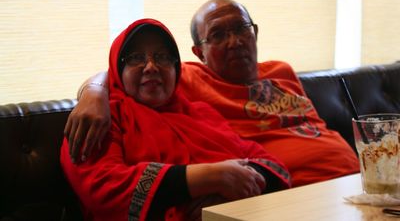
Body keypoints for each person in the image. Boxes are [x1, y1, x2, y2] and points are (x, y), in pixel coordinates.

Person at [65, 0, 359, 187]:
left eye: (242, 29)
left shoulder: (282, 70)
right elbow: (129, 71)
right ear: (199, 52)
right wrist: (93, 90)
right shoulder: (189, 78)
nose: (235, 42)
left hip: (359, 180)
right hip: (301, 195)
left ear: (254, 32)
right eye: (218, 35)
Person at [60, 18, 291, 220]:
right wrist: (213, 177)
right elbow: (103, 188)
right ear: (117, 70)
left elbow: (273, 165)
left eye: (162, 57)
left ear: (176, 68)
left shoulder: (200, 113)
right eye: (135, 58)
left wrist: (225, 192)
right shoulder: (100, 117)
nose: (150, 66)